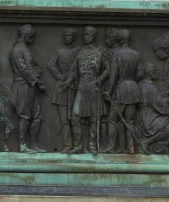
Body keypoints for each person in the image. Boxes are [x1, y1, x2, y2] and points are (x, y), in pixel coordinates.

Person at [61, 26, 108, 154]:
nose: (85, 37)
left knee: (93, 118)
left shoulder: (100, 52)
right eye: (84, 35)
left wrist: (100, 79)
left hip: (94, 87)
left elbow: (108, 69)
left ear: (93, 36)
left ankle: (92, 146)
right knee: (75, 117)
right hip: (81, 86)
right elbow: (73, 71)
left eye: (88, 34)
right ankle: (78, 146)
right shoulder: (80, 52)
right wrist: (67, 83)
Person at [9, 24, 47, 153]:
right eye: (31, 36)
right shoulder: (17, 49)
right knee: (25, 117)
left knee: (37, 116)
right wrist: (36, 82)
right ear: (25, 36)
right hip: (23, 87)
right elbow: (23, 69)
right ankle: (22, 145)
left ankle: (33, 144)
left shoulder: (25, 48)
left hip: (32, 86)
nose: (33, 38)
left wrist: (37, 81)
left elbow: (32, 68)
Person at [107, 29, 142, 154]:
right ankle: (130, 147)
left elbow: (113, 76)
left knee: (112, 119)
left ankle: (111, 147)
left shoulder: (116, 54)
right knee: (130, 121)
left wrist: (110, 91)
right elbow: (140, 73)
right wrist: (132, 80)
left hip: (121, 89)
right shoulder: (136, 54)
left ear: (119, 39)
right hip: (133, 89)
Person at [138, 62, 169, 154]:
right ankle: (146, 142)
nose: (156, 71)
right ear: (148, 73)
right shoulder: (149, 86)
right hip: (149, 117)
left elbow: (156, 96)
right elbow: (158, 102)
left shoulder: (144, 83)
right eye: (154, 69)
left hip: (152, 114)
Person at [47, 27, 79, 153]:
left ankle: (79, 145)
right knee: (64, 119)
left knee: (76, 118)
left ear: (74, 38)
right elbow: (50, 64)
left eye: (70, 36)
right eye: (65, 36)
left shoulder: (78, 51)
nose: (67, 38)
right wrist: (60, 76)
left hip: (75, 86)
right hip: (61, 87)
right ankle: (67, 145)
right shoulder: (59, 52)